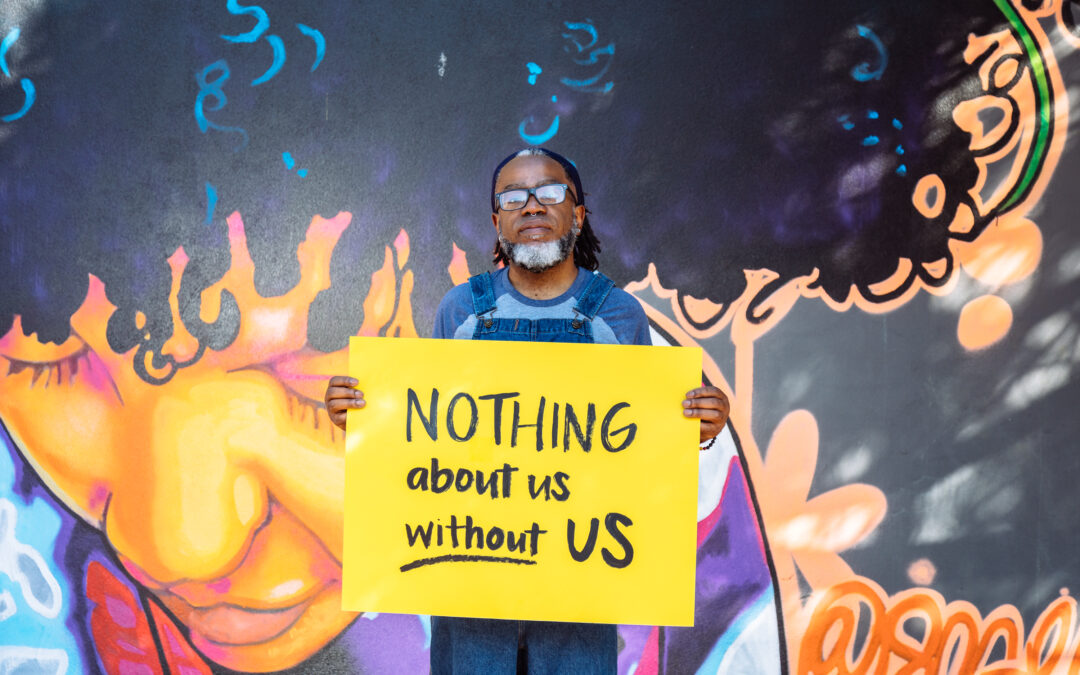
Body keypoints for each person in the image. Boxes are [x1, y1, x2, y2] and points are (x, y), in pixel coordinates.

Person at [325, 147, 730, 674]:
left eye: (551, 193)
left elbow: (647, 447)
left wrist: (700, 427)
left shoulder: (617, 315)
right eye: (514, 198)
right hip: (471, 579)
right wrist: (362, 412)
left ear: (578, 213)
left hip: (580, 583)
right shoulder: (462, 311)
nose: (532, 207)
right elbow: (423, 437)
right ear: (497, 221)